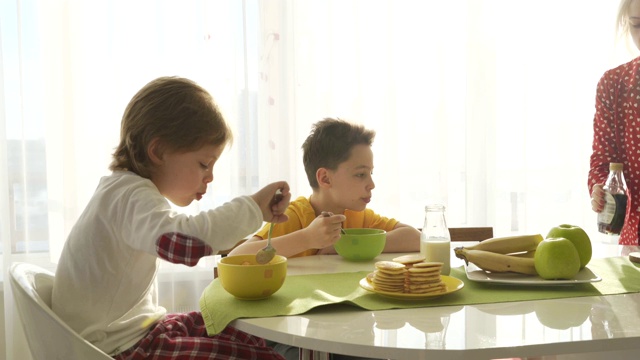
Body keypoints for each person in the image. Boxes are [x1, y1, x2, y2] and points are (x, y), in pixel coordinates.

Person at [51, 76, 292, 359]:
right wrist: (252, 208)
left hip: (138, 333)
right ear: (158, 151)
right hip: (119, 349)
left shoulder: (120, 189)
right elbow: (180, 243)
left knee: (233, 328)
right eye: (204, 163)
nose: (210, 177)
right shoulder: (130, 196)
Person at [230, 117, 420, 259]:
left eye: (371, 173)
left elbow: (416, 238)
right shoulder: (293, 216)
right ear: (325, 178)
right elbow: (235, 257)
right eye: (361, 174)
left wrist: (347, 245)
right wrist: (307, 238)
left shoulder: (358, 217)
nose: (371, 184)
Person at [589, 0, 640, 246]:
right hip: (634, 244)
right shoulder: (614, 85)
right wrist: (600, 190)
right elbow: (603, 162)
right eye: (637, 25)